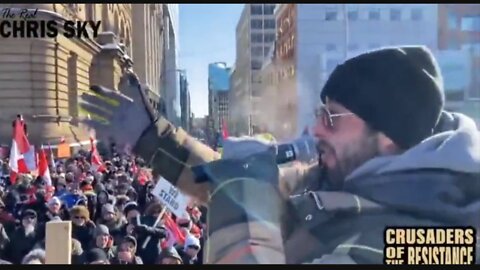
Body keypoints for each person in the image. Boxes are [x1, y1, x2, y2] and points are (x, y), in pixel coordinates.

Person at [78, 46, 480, 264]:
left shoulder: (419, 238)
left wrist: (248, 184)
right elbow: (232, 183)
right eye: (319, 114)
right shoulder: (347, 179)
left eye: (333, 118)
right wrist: (155, 139)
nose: (317, 129)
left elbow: (246, 189)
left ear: (388, 137)